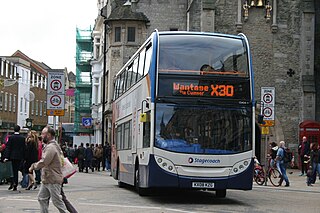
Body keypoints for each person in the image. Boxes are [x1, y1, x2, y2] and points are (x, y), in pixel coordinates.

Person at [29, 126, 67, 213]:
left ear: (49, 135)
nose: (41, 136)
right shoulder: (51, 146)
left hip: (53, 178)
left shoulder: (51, 147)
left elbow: (44, 161)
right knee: (42, 198)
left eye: (43, 134)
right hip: (47, 178)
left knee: (57, 201)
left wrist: (33, 166)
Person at [4, 125, 26, 191]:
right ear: (19, 130)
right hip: (20, 156)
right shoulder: (22, 138)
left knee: (13, 170)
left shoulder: (11, 138)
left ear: (14, 130)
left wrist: (6, 157)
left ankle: (14, 183)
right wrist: (24, 157)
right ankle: (16, 183)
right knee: (18, 169)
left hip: (12, 156)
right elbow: (24, 148)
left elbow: (8, 148)